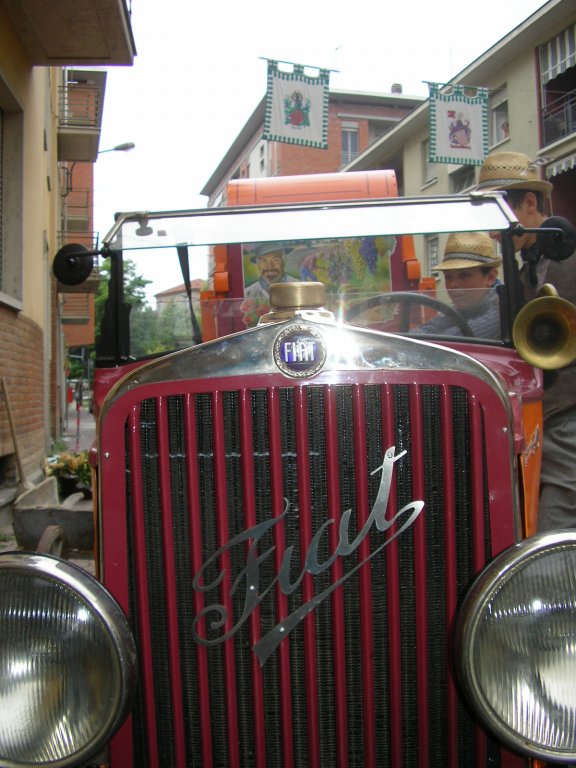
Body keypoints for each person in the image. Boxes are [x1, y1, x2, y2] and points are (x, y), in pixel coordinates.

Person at [476, 150, 576, 532]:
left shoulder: (569, 261)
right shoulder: (523, 268)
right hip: (537, 417)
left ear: (529, 203)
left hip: (566, 415)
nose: (491, 232)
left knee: (555, 524)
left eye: (498, 216)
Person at [418, 231, 502, 339]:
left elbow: (452, 339)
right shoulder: (464, 309)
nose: (453, 284)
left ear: (490, 277)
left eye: (464, 275)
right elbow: (430, 328)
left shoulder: (500, 312)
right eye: (448, 277)